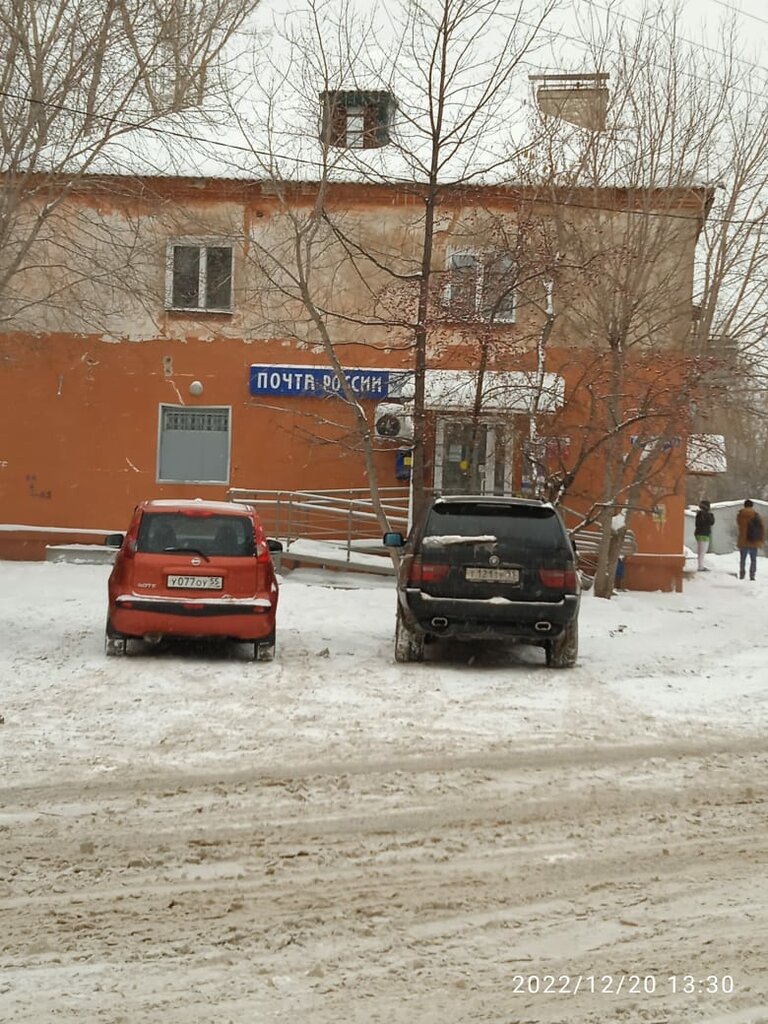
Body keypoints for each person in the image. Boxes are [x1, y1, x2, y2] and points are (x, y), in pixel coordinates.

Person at [736, 499, 765, 580]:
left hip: (743, 540)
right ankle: (752, 575)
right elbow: (761, 528)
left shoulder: (740, 515)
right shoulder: (756, 515)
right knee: (753, 560)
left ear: (744, 505)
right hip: (754, 541)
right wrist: (761, 539)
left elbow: (739, 525)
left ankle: (742, 574)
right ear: (752, 506)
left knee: (743, 559)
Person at [694, 499, 715, 571]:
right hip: (704, 534)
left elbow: (697, 524)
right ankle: (700, 566)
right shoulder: (708, 515)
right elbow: (711, 522)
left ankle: (700, 565)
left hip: (698, 533)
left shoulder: (699, 514)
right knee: (702, 551)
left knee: (700, 551)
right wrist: (710, 514)